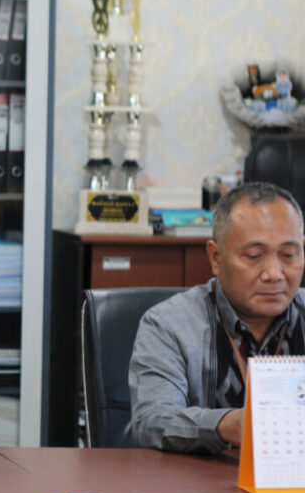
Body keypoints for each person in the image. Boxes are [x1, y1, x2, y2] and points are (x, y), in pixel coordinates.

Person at [129, 182, 305, 453]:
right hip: (200, 479)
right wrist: (225, 425)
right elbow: (151, 421)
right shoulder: (168, 324)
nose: (274, 273)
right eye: (254, 256)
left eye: (288, 255)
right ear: (215, 257)